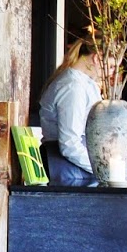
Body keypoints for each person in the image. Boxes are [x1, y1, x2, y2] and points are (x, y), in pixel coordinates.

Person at [37, 40, 101, 186]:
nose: (111, 72)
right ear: (97, 58)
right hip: (67, 169)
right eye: (111, 66)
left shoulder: (85, 84)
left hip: (75, 166)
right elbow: (70, 144)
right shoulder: (72, 86)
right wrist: (104, 169)